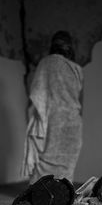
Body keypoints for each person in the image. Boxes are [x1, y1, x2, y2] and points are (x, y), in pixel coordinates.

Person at [21, 31, 84, 184]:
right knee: (65, 173)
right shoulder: (76, 69)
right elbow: (81, 106)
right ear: (70, 47)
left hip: (51, 122)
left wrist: (30, 122)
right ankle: (62, 198)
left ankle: (40, 199)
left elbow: (35, 97)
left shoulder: (45, 63)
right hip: (72, 126)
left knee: (43, 167)